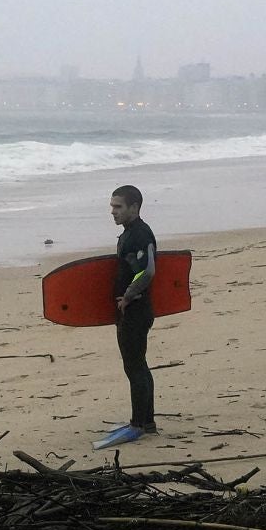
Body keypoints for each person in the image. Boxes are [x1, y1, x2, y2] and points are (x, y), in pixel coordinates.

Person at [95, 184, 157, 449]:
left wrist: (129, 295)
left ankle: (137, 426)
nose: (113, 212)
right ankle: (147, 422)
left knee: (134, 367)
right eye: (112, 206)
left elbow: (148, 271)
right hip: (134, 310)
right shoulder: (130, 233)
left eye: (118, 206)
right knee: (139, 365)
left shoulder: (140, 234)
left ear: (135, 207)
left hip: (135, 310)